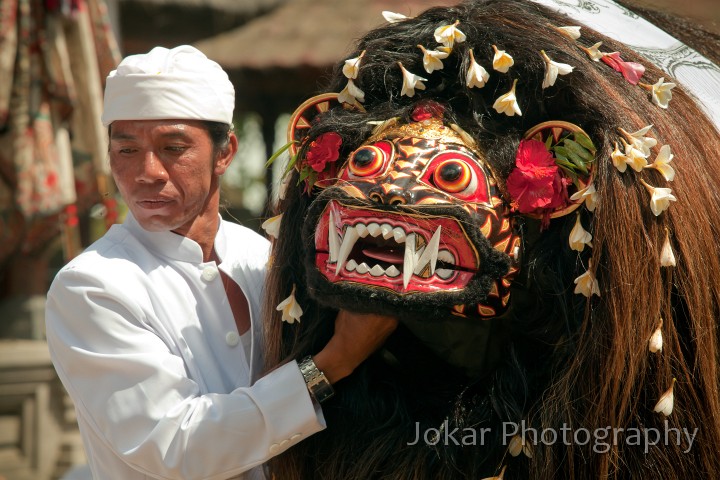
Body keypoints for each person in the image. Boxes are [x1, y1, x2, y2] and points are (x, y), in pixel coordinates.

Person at [260, 0, 720, 479]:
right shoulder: (281, 271)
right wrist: (336, 360)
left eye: (451, 176)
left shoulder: (580, 297)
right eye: (365, 165)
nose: (392, 195)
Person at [45, 45, 397, 480]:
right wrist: (335, 361)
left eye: (173, 147)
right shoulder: (93, 287)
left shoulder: (261, 257)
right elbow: (174, 447)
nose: (147, 171)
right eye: (127, 150)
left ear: (225, 152)